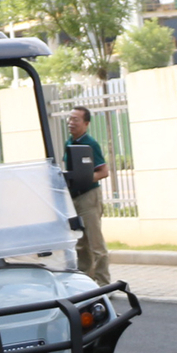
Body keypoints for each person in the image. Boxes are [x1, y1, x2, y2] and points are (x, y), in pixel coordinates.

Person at [64, 106, 110, 286]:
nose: (71, 123)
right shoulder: (69, 142)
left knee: (96, 243)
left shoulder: (90, 143)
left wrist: (85, 178)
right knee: (81, 244)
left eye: (76, 119)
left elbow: (103, 171)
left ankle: (104, 284)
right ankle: (86, 283)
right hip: (74, 197)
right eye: (70, 119)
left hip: (89, 196)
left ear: (86, 123)